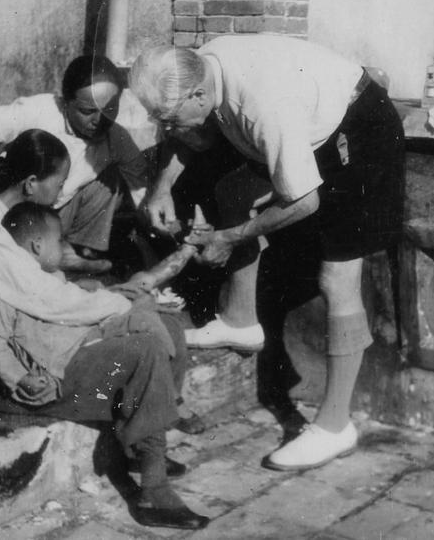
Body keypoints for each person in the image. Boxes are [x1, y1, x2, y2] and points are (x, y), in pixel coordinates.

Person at [128, 35, 405, 471]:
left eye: (168, 118)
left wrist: (229, 237)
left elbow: (304, 201)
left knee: (337, 279)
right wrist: (161, 188)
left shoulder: (264, 106)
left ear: (199, 95)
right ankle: (241, 322)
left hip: (359, 131)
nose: (166, 128)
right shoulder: (201, 67)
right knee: (235, 190)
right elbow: (187, 135)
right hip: (309, 123)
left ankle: (335, 426)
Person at [0, 130, 208, 529]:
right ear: (31, 183)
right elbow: (51, 301)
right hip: (19, 378)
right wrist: (120, 302)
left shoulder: (11, 222)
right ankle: (153, 492)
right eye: (58, 182)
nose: (62, 192)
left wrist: (116, 297)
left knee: (167, 326)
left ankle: (142, 447)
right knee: (144, 348)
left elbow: (50, 294)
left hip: (49, 345)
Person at [0, 54, 152, 272]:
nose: (99, 120)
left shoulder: (116, 138)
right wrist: (1, 169)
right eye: (87, 111)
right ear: (66, 102)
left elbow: (142, 185)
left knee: (111, 179)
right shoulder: (39, 109)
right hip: (5, 201)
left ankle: (70, 253)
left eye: (109, 109)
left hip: (51, 219)